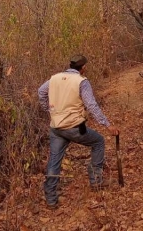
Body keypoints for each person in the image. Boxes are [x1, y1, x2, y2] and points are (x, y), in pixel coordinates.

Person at [38, 54, 119, 208]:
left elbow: (41, 92)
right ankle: (96, 181)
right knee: (98, 141)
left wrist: (49, 110)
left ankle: (51, 199)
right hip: (75, 127)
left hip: (56, 127)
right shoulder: (82, 81)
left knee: (54, 161)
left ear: (70, 65)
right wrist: (107, 125)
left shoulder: (54, 78)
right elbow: (91, 105)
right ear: (83, 68)